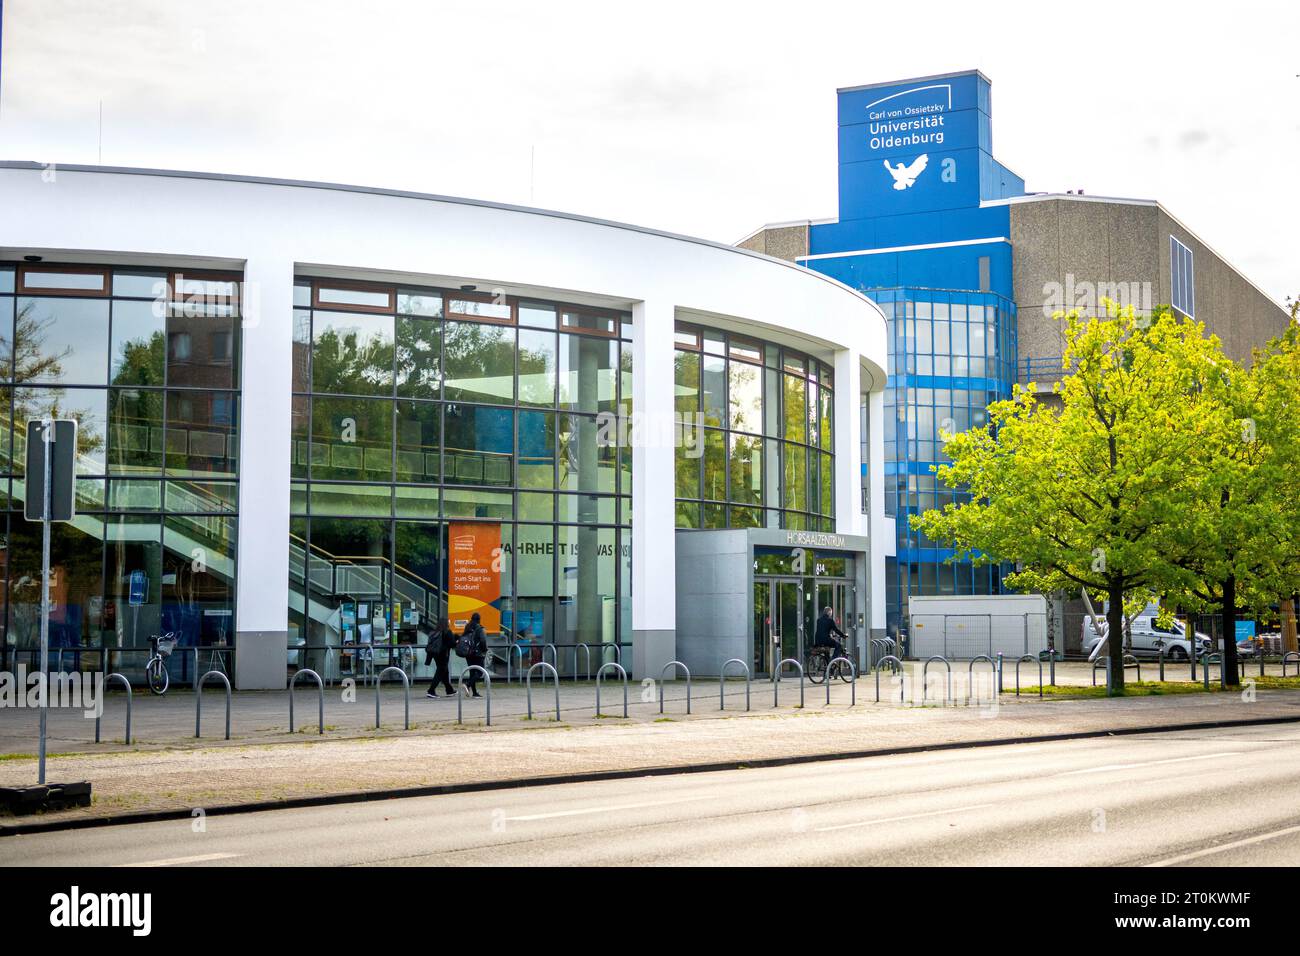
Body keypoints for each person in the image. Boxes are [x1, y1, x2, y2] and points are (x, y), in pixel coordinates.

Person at [424, 617, 455, 698]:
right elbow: (452, 644)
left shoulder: (435, 632)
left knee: (444, 672)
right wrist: (457, 641)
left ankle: (449, 690)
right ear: (446, 623)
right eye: (449, 622)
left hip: (435, 654)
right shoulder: (447, 632)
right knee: (440, 672)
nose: (450, 623)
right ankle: (431, 690)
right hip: (444, 655)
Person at [458, 612, 487, 698]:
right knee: (480, 671)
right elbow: (483, 640)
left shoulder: (468, 627)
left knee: (472, 672)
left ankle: (474, 692)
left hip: (468, 653)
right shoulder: (479, 628)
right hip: (477, 653)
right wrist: (484, 649)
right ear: (479, 619)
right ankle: (468, 684)